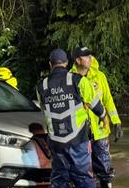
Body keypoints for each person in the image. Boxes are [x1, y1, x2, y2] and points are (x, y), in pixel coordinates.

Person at [36, 48, 106, 188]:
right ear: (67, 63)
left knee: (59, 180)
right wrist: (103, 116)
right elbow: (95, 104)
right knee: (84, 178)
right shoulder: (78, 80)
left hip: (56, 143)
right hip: (78, 140)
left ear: (50, 64)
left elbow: (44, 111)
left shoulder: (41, 86)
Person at [71, 47, 122, 188]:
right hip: (80, 134)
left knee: (105, 170)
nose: (90, 58)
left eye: (90, 55)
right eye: (86, 56)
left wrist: (116, 122)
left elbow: (108, 100)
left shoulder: (100, 76)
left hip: (100, 132)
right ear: (77, 60)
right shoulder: (69, 79)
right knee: (81, 171)